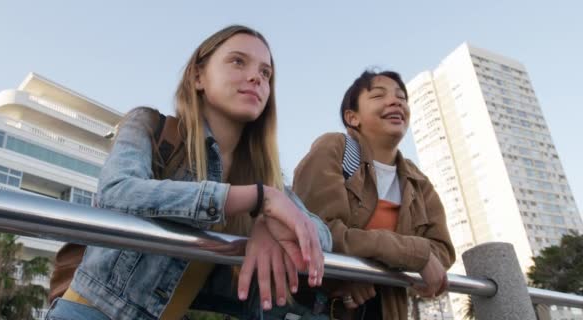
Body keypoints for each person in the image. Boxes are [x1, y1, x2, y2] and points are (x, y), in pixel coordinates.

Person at [45, 25, 332, 320]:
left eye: (266, 73)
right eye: (238, 61)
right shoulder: (147, 124)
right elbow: (117, 192)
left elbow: (321, 234)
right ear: (198, 76)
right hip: (93, 312)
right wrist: (254, 200)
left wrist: (271, 224)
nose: (255, 77)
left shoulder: (265, 179)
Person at [291, 70, 456, 319]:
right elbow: (318, 233)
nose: (395, 101)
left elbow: (442, 250)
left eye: (402, 97)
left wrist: (371, 268)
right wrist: (413, 255)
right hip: (320, 306)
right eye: (379, 95)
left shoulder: (418, 181)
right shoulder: (334, 148)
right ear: (352, 117)